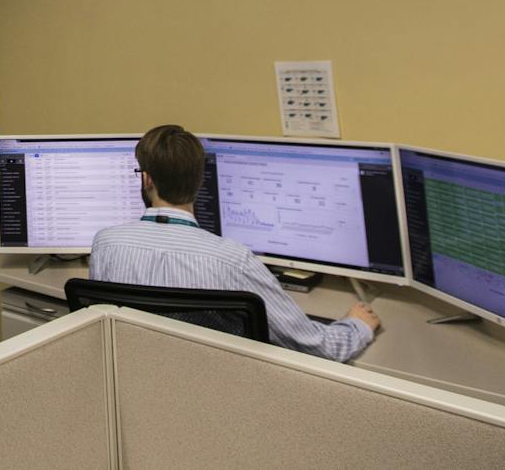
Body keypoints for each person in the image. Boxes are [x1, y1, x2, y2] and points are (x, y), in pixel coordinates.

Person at [89, 124, 379, 362]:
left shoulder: (106, 244)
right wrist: (358, 325)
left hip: (135, 390)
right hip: (220, 402)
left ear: (147, 180)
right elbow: (316, 348)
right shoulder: (232, 261)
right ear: (200, 181)